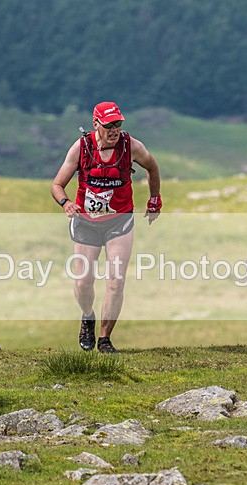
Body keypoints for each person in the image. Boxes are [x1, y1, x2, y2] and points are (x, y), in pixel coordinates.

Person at [51, 101, 162, 353]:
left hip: (119, 221)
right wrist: (66, 203)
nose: (114, 130)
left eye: (118, 124)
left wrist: (154, 199)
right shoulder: (81, 148)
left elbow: (153, 167)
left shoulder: (131, 146)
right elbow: (57, 185)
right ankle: (88, 316)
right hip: (86, 223)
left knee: (115, 281)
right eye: (108, 125)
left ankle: (104, 339)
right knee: (83, 282)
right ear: (95, 124)